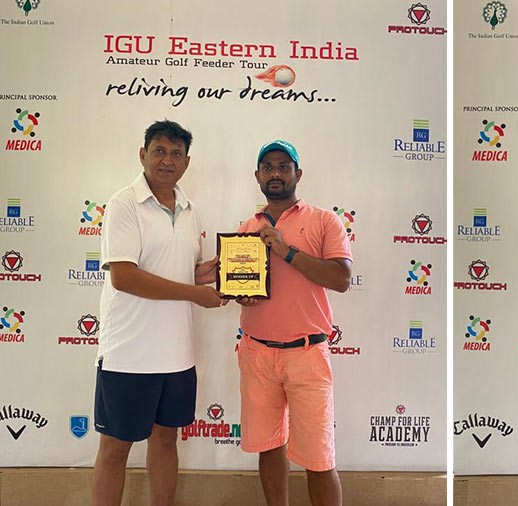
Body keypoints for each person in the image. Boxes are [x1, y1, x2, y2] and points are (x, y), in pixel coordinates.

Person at [92, 120, 225, 506]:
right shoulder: (123, 204)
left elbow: (184, 271)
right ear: (143, 155)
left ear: (186, 163)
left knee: (166, 440)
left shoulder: (190, 211)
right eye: (159, 151)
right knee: (116, 449)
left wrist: (221, 272)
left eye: (176, 154)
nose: (167, 160)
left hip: (177, 355)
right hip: (129, 354)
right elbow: (124, 277)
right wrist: (195, 293)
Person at [234, 139, 352, 506]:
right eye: (267, 167)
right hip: (256, 352)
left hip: (307, 353)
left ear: (297, 173)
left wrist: (285, 250)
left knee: (319, 458)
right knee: (269, 449)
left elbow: (341, 279)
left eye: (283, 166)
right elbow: (238, 286)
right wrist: (241, 293)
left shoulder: (324, 220)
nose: (275, 173)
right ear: (257, 176)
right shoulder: (245, 228)